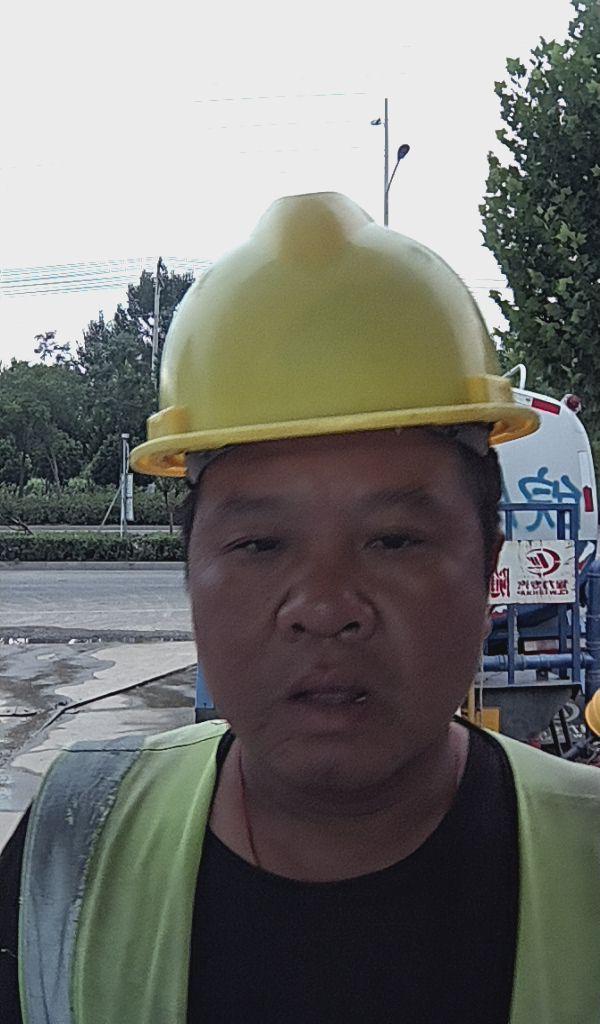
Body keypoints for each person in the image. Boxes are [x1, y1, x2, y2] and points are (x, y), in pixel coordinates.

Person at [2, 192, 600, 1024]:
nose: (324, 608)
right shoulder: (72, 848)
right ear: (190, 573)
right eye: (260, 544)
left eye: (393, 540)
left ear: (488, 566)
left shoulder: (585, 857)